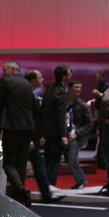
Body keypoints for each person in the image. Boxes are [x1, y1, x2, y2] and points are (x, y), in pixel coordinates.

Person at [0, 61, 37, 204]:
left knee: (8, 163)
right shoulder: (27, 84)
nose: (2, 73)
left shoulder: (6, 82)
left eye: (4, 70)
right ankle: (19, 196)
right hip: (28, 127)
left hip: (12, 126)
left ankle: (21, 190)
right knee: (21, 163)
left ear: (13, 69)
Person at [25, 69, 61, 202]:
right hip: (27, 138)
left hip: (32, 137)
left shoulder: (32, 95)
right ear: (33, 80)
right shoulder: (28, 95)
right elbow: (28, 118)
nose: (42, 80)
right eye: (40, 77)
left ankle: (45, 193)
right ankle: (45, 193)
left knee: (37, 162)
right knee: (36, 163)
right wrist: (30, 138)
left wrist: (39, 135)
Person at [40, 64, 72, 188]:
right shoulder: (62, 92)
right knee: (54, 162)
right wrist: (63, 135)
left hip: (47, 130)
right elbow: (60, 115)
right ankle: (49, 186)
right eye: (69, 74)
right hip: (55, 132)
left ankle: (46, 186)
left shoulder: (50, 89)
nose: (70, 76)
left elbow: (43, 110)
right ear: (64, 77)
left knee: (48, 160)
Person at [66, 82, 92, 190]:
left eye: (80, 88)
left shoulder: (82, 105)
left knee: (72, 160)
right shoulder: (62, 103)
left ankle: (81, 180)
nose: (78, 89)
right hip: (61, 134)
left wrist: (77, 133)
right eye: (76, 87)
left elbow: (89, 124)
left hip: (74, 136)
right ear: (69, 88)